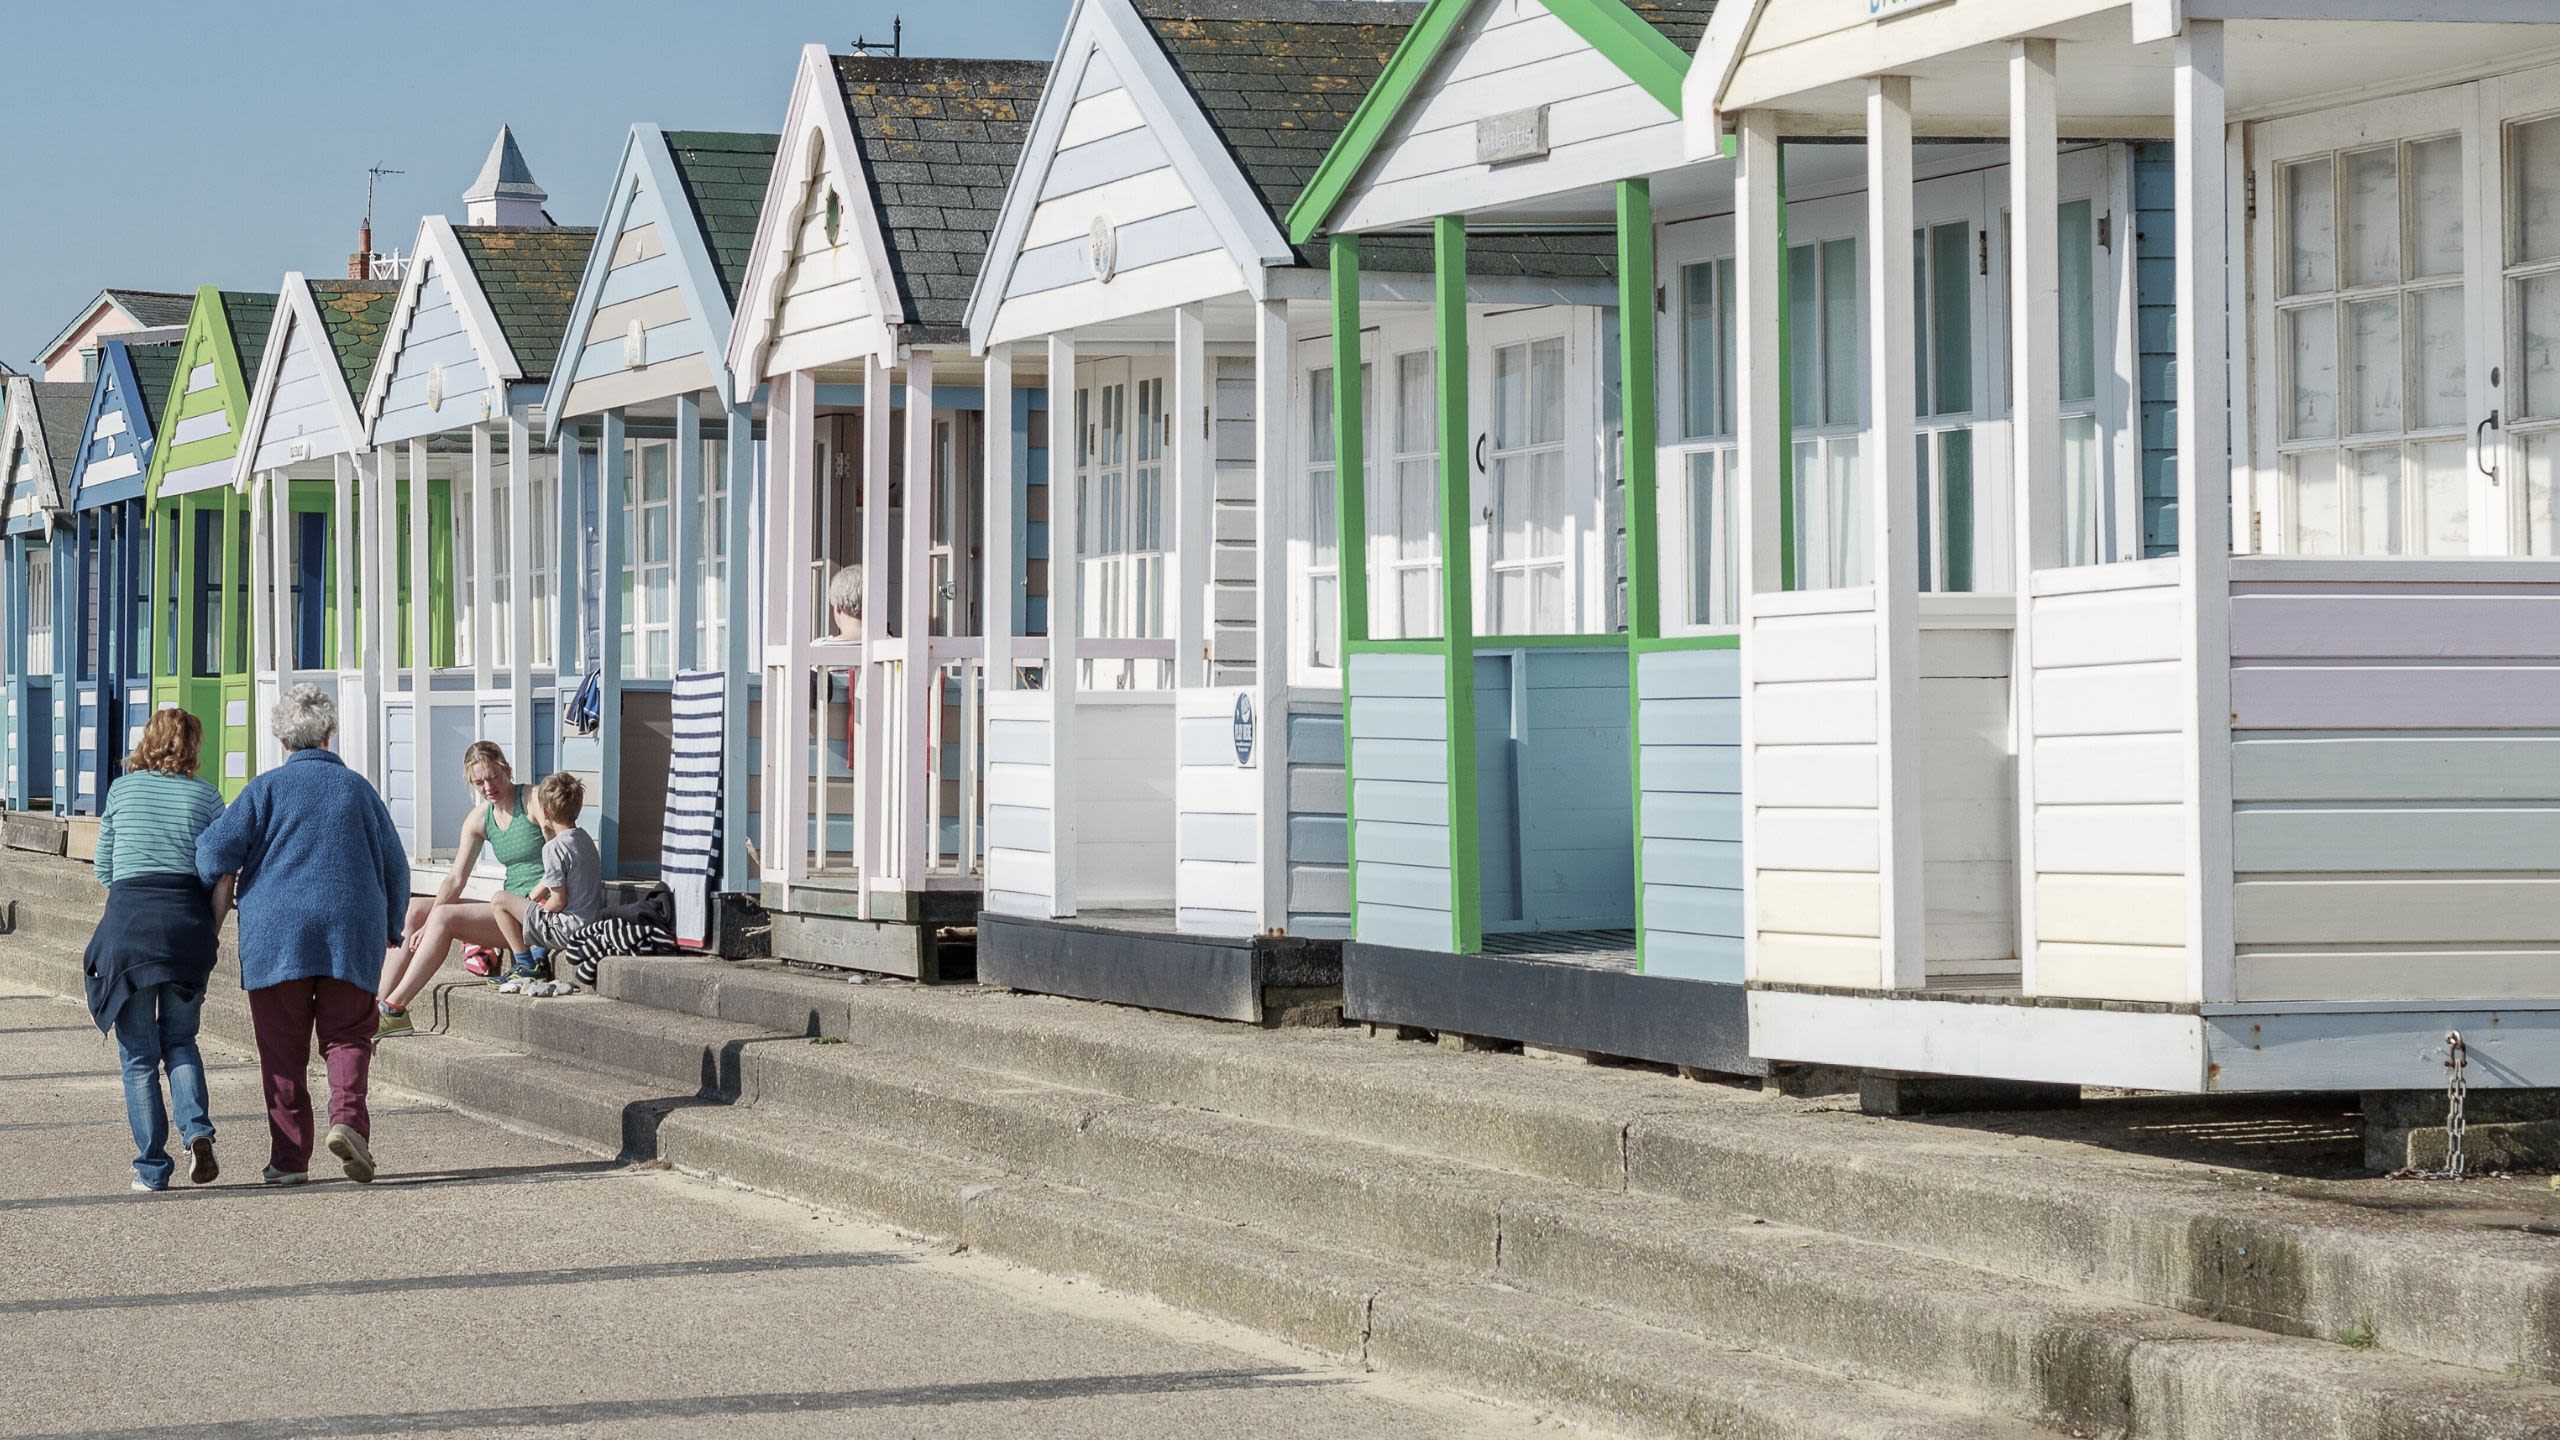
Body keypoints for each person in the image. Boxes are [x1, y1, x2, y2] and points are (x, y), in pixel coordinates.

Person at [194, 685, 409, 1185]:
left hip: (275, 932)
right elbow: (396, 866)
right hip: (350, 927)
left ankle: (289, 1161)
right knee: (350, 1033)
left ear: (282, 739)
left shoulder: (263, 789)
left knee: (281, 1047)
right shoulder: (357, 789)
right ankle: (347, 1121)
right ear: (329, 734)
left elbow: (211, 855)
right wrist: (392, 925)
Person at [82, 710, 232, 1192]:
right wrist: (208, 923)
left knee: (139, 1058)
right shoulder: (206, 796)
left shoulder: (121, 790)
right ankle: (198, 1132)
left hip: (130, 928)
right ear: (192, 745)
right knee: (182, 1042)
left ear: (148, 740)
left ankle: (152, 1168)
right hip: (186, 926)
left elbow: (103, 868)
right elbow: (222, 868)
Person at [374, 740, 543, 1032]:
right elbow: (455, 879)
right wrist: (426, 924)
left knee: (443, 917)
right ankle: (375, 1007)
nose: (488, 787)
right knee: (417, 909)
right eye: (479, 782)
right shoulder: (481, 818)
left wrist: (543, 898)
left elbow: (564, 857)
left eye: (493, 777)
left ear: (507, 769)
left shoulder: (533, 800)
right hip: (507, 913)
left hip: (537, 910)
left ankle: (395, 1009)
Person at [492, 772, 602, 994]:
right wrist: (532, 901)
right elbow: (561, 879)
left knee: (499, 901)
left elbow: (558, 901)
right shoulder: (585, 840)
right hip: (590, 924)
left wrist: (538, 908)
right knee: (536, 904)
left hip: (567, 930)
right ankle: (539, 956)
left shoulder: (552, 849)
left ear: (544, 812)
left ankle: (525, 964)